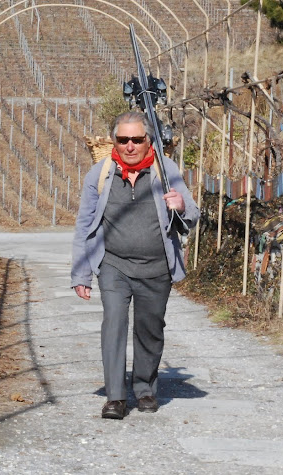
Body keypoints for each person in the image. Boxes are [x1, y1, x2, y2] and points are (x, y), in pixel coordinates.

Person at [71, 111, 200, 419]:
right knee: (113, 323)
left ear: (148, 141)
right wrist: (81, 273)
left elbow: (192, 214)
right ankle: (115, 397)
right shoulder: (100, 173)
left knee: (150, 329)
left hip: (156, 267)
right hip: (114, 264)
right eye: (123, 139)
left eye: (137, 139)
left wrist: (181, 206)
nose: (129, 146)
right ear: (114, 140)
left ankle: (144, 388)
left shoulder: (165, 170)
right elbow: (84, 224)